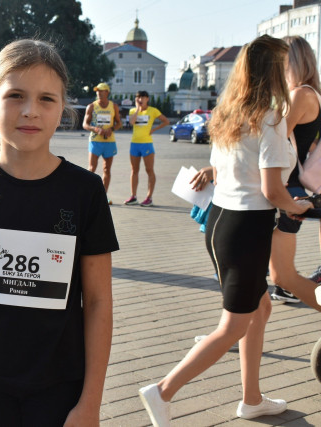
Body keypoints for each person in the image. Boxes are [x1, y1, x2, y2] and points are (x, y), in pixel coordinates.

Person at [0, 39, 118, 427]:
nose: (30, 110)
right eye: (15, 95)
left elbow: (99, 302)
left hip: (62, 385)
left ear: (62, 109)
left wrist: (91, 404)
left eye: (46, 99)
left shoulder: (85, 192)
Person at [138, 35, 312, 426]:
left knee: (260, 308)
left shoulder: (229, 114)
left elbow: (225, 171)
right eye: (284, 66)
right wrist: (296, 206)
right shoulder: (269, 120)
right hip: (246, 229)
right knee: (233, 325)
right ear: (274, 72)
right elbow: (272, 190)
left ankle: (252, 400)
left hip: (220, 222)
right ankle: (162, 391)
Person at [267, 36, 321, 308]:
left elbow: (275, 138)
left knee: (283, 275)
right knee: (277, 273)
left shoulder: (302, 94)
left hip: (285, 187)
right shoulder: (302, 94)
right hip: (284, 184)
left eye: (279, 58)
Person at [125, 90, 169, 207]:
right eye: (138, 97)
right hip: (134, 143)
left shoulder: (153, 110)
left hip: (147, 144)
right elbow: (132, 122)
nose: (140, 99)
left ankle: (149, 198)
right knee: (134, 170)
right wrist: (138, 109)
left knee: (149, 170)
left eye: (143, 97)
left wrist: (154, 129)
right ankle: (133, 196)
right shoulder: (133, 110)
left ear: (147, 99)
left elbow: (166, 121)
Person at [83, 82, 122, 204]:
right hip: (95, 140)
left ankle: (103, 197)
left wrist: (112, 129)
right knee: (91, 169)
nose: (98, 93)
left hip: (109, 141)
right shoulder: (91, 106)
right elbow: (85, 124)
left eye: (101, 91)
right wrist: (95, 129)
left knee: (107, 169)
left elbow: (119, 123)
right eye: (97, 91)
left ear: (107, 92)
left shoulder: (113, 106)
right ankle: (87, 195)